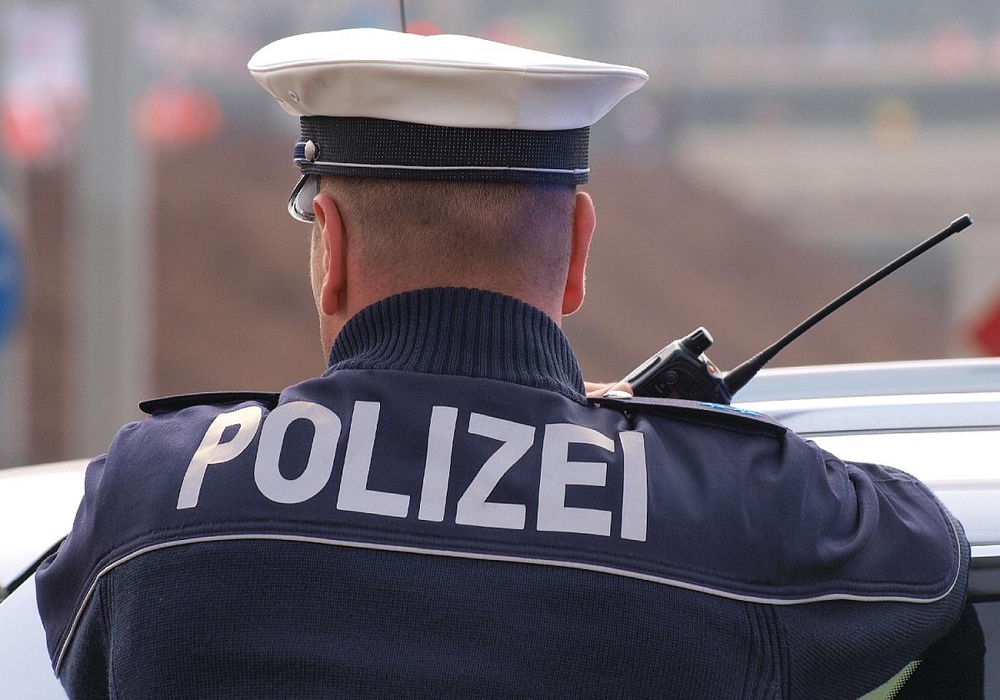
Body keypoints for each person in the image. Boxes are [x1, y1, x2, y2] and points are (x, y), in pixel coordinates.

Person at [36, 28, 970, 699]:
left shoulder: (153, 497)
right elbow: (932, 557)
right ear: (577, 252)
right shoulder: (737, 511)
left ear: (333, 247)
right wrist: (667, 443)